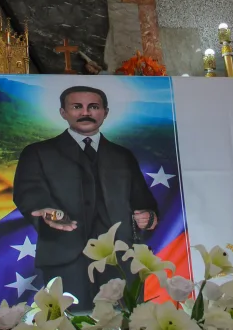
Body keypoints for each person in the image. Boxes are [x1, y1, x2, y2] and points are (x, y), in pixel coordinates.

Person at [13, 86, 158, 308]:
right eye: (76, 107)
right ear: (63, 112)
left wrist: (148, 216)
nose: (85, 112)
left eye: (93, 107)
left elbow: (143, 201)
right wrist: (47, 211)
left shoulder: (123, 156)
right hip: (64, 257)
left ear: (105, 112)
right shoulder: (38, 153)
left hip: (121, 259)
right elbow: (28, 192)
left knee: (126, 323)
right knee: (68, 326)